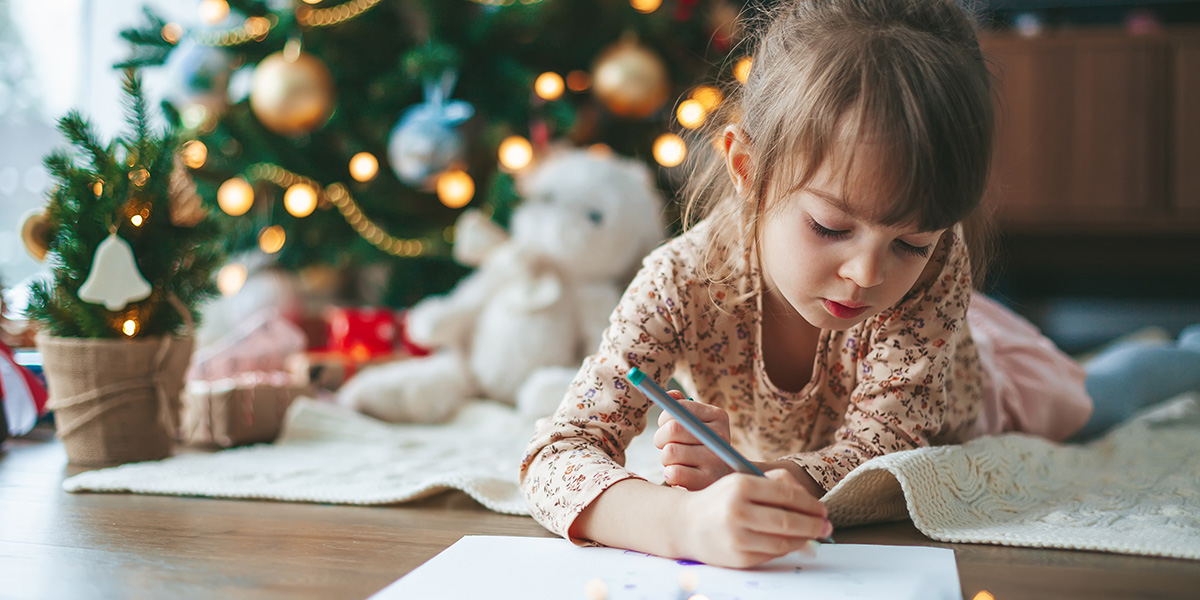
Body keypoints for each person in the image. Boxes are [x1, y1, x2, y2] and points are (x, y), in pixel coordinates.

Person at [519, 0, 1198, 569]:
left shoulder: (928, 276)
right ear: (748, 168)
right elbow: (558, 454)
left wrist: (758, 483)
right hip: (895, 362)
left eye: (911, 241)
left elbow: (891, 453)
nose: (870, 275)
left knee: (1104, 396)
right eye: (830, 228)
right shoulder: (678, 281)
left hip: (979, 375)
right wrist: (682, 523)